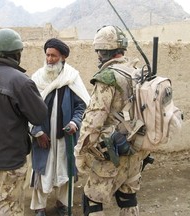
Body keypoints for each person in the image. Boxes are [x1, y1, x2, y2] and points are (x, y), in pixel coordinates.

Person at [74, 25, 150, 216]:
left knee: (92, 200)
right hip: (136, 153)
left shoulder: (108, 77)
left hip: (112, 156)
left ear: (103, 51)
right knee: (128, 199)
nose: (98, 56)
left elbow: (93, 122)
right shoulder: (137, 73)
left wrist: (80, 153)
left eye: (99, 51)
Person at [0, 28, 48, 216]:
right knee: (10, 205)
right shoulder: (20, 81)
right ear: (17, 54)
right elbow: (39, 116)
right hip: (9, 160)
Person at [30, 38, 90, 216]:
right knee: (42, 171)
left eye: (54, 56)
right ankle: (39, 207)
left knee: (65, 170)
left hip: (65, 137)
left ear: (63, 57)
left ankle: (63, 204)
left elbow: (82, 105)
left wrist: (74, 122)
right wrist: (38, 131)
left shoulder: (72, 77)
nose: (49, 59)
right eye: (47, 55)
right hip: (43, 137)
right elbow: (29, 107)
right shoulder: (37, 78)